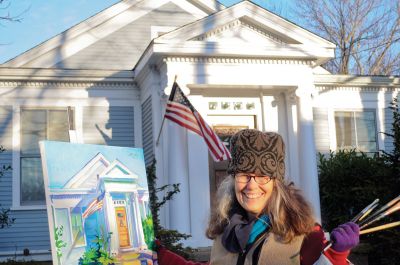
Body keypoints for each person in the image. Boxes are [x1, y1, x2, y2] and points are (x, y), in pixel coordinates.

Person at [157, 129, 359, 265]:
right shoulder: (225, 231)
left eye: (262, 177)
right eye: (244, 175)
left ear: (276, 183)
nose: (252, 185)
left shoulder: (303, 232)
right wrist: (160, 256)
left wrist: (336, 255)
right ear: (233, 180)